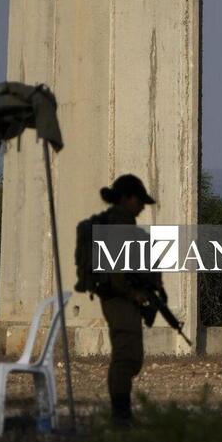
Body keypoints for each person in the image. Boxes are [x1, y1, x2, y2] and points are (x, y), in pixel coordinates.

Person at [74, 174, 161, 426]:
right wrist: (132, 292)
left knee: (131, 355)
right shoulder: (117, 226)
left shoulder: (123, 225)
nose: (142, 206)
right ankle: (120, 415)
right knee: (126, 356)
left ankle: (121, 414)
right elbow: (117, 271)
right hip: (118, 298)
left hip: (122, 297)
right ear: (125, 198)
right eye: (138, 200)